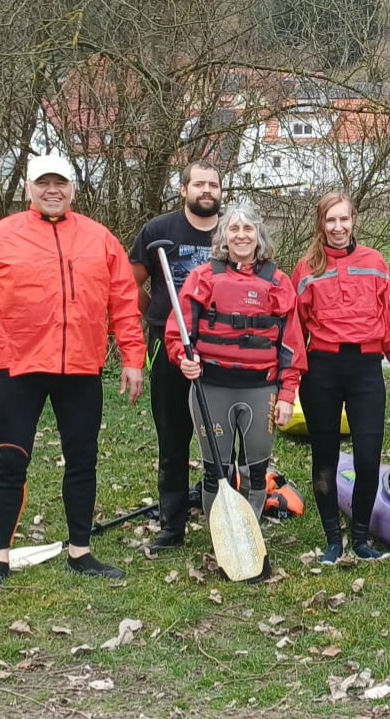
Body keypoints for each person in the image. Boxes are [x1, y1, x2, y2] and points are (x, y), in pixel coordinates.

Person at [0, 153, 146, 595]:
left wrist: (133, 357)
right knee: (11, 460)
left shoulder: (99, 239)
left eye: (60, 183)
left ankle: (80, 551)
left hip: (81, 368)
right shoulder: (0, 238)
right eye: (43, 183)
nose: (52, 190)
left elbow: (124, 303)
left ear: (73, 189)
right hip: (21, 367)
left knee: (83, 459)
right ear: (29, 189)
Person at [165, 201, 306, 558]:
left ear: (259, 235)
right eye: (234, 229)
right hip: (212, 389)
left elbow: (291, 346)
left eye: (248, 229)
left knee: (255, 470)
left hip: (261, 390)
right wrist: (184, 358)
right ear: (223, 236)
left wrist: (288, 394)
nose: (241, 236)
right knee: (216, 471)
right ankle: (222, 538)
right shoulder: (204, 278)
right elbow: (178, 331)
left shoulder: (277, 282)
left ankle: (251, 530)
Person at [294, 192, 390, 565]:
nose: (337, 227)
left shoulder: (375, 263)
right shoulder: (307, 268)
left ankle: (361, 538)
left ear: (354, 221)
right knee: (326, 458)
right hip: (322, 371)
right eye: (330, 220)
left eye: (343, 220)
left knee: (367, 459)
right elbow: (294, 330)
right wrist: (287, 380)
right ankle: (334, 539)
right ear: (321, 224)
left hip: (366, 369)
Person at [127, 161, 223, 552]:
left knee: (222, 434)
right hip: (168, 345)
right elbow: (127, 282)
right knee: (172, 435)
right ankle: (172, 525)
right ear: (183, 189)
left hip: (220, 346)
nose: (206, 190)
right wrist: (157, 312)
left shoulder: (234, 230)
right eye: (198, 184)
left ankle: (221, 513)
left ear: (220, 191)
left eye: (213, 185)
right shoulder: (158, 231)